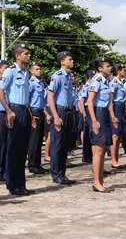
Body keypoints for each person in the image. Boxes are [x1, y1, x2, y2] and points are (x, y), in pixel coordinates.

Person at [0, 43, 34, 197]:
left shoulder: (26, 73)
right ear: (18, 56)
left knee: (22, 149)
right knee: (13, 149)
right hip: (15, 109)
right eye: (26, 53)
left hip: (25, 110)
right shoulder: (10, 72)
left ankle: (21, 184)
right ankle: (12, 184)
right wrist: (8, 111)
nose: (29, 56)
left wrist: (30, 114)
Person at [46, 51, 77, 185]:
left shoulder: (69, 76)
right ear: (62, 61)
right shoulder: (57, 76)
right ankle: (56, 174)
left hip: (69, 111)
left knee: (65, 144)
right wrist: (56, 116)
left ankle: (62, 174)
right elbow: (50, 97)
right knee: (57, 144)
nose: (72, 61)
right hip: (60, 111)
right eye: (70, 59)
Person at [86, 57, 114, 193]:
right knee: (98, 150)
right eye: (107, 66)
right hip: (98, 113)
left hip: (104, 113)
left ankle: (101, 180)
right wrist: (94, 120)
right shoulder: (97, 80)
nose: (110, 68)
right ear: (100, 68)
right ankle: (96, 182)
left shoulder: (106, 81)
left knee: (102, 149)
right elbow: (90, 101)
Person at [27, 64, 49, 175]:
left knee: (39, 140)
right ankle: (32, 165)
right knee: (34, 140)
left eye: (40, 68)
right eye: (36, 69)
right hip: (34, 112)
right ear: (31, 71)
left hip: (41, 112)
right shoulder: (31, 83)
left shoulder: (40, 83)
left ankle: (37, 164)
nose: (39, 70)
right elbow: (27, 100)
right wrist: (31, 116)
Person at [109, 63, 126, 167]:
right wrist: (113, 116)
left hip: (121, 108)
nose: (124, 71)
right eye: (123, 70)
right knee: (115, 136)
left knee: (119, 134)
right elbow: (110, 101)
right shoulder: (114, 83)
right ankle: (113, 160)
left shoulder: (120, 82)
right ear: (119, 71)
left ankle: (116, 159)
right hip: (116, 108)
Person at [77, 70, 95, 163]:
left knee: (90, 134)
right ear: (89, 78)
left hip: (91, 110)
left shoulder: (92, 86)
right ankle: (86, 155)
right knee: (87, 134)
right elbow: (81, 102)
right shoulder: (86, 87)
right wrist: (84, 114)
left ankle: (89, 155)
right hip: (86, 110)